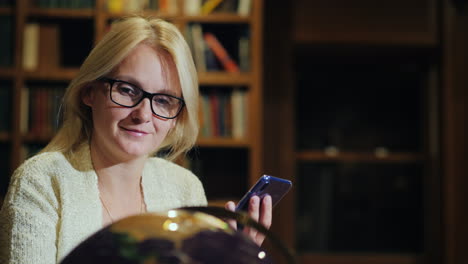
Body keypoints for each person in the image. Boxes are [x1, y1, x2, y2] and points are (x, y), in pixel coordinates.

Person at [0, 16, 272, 264]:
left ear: (177, 116)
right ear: (89, 92)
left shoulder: (185, 188)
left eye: (164, 100)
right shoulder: (41, 181)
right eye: (127, 90)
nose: (143, 114)